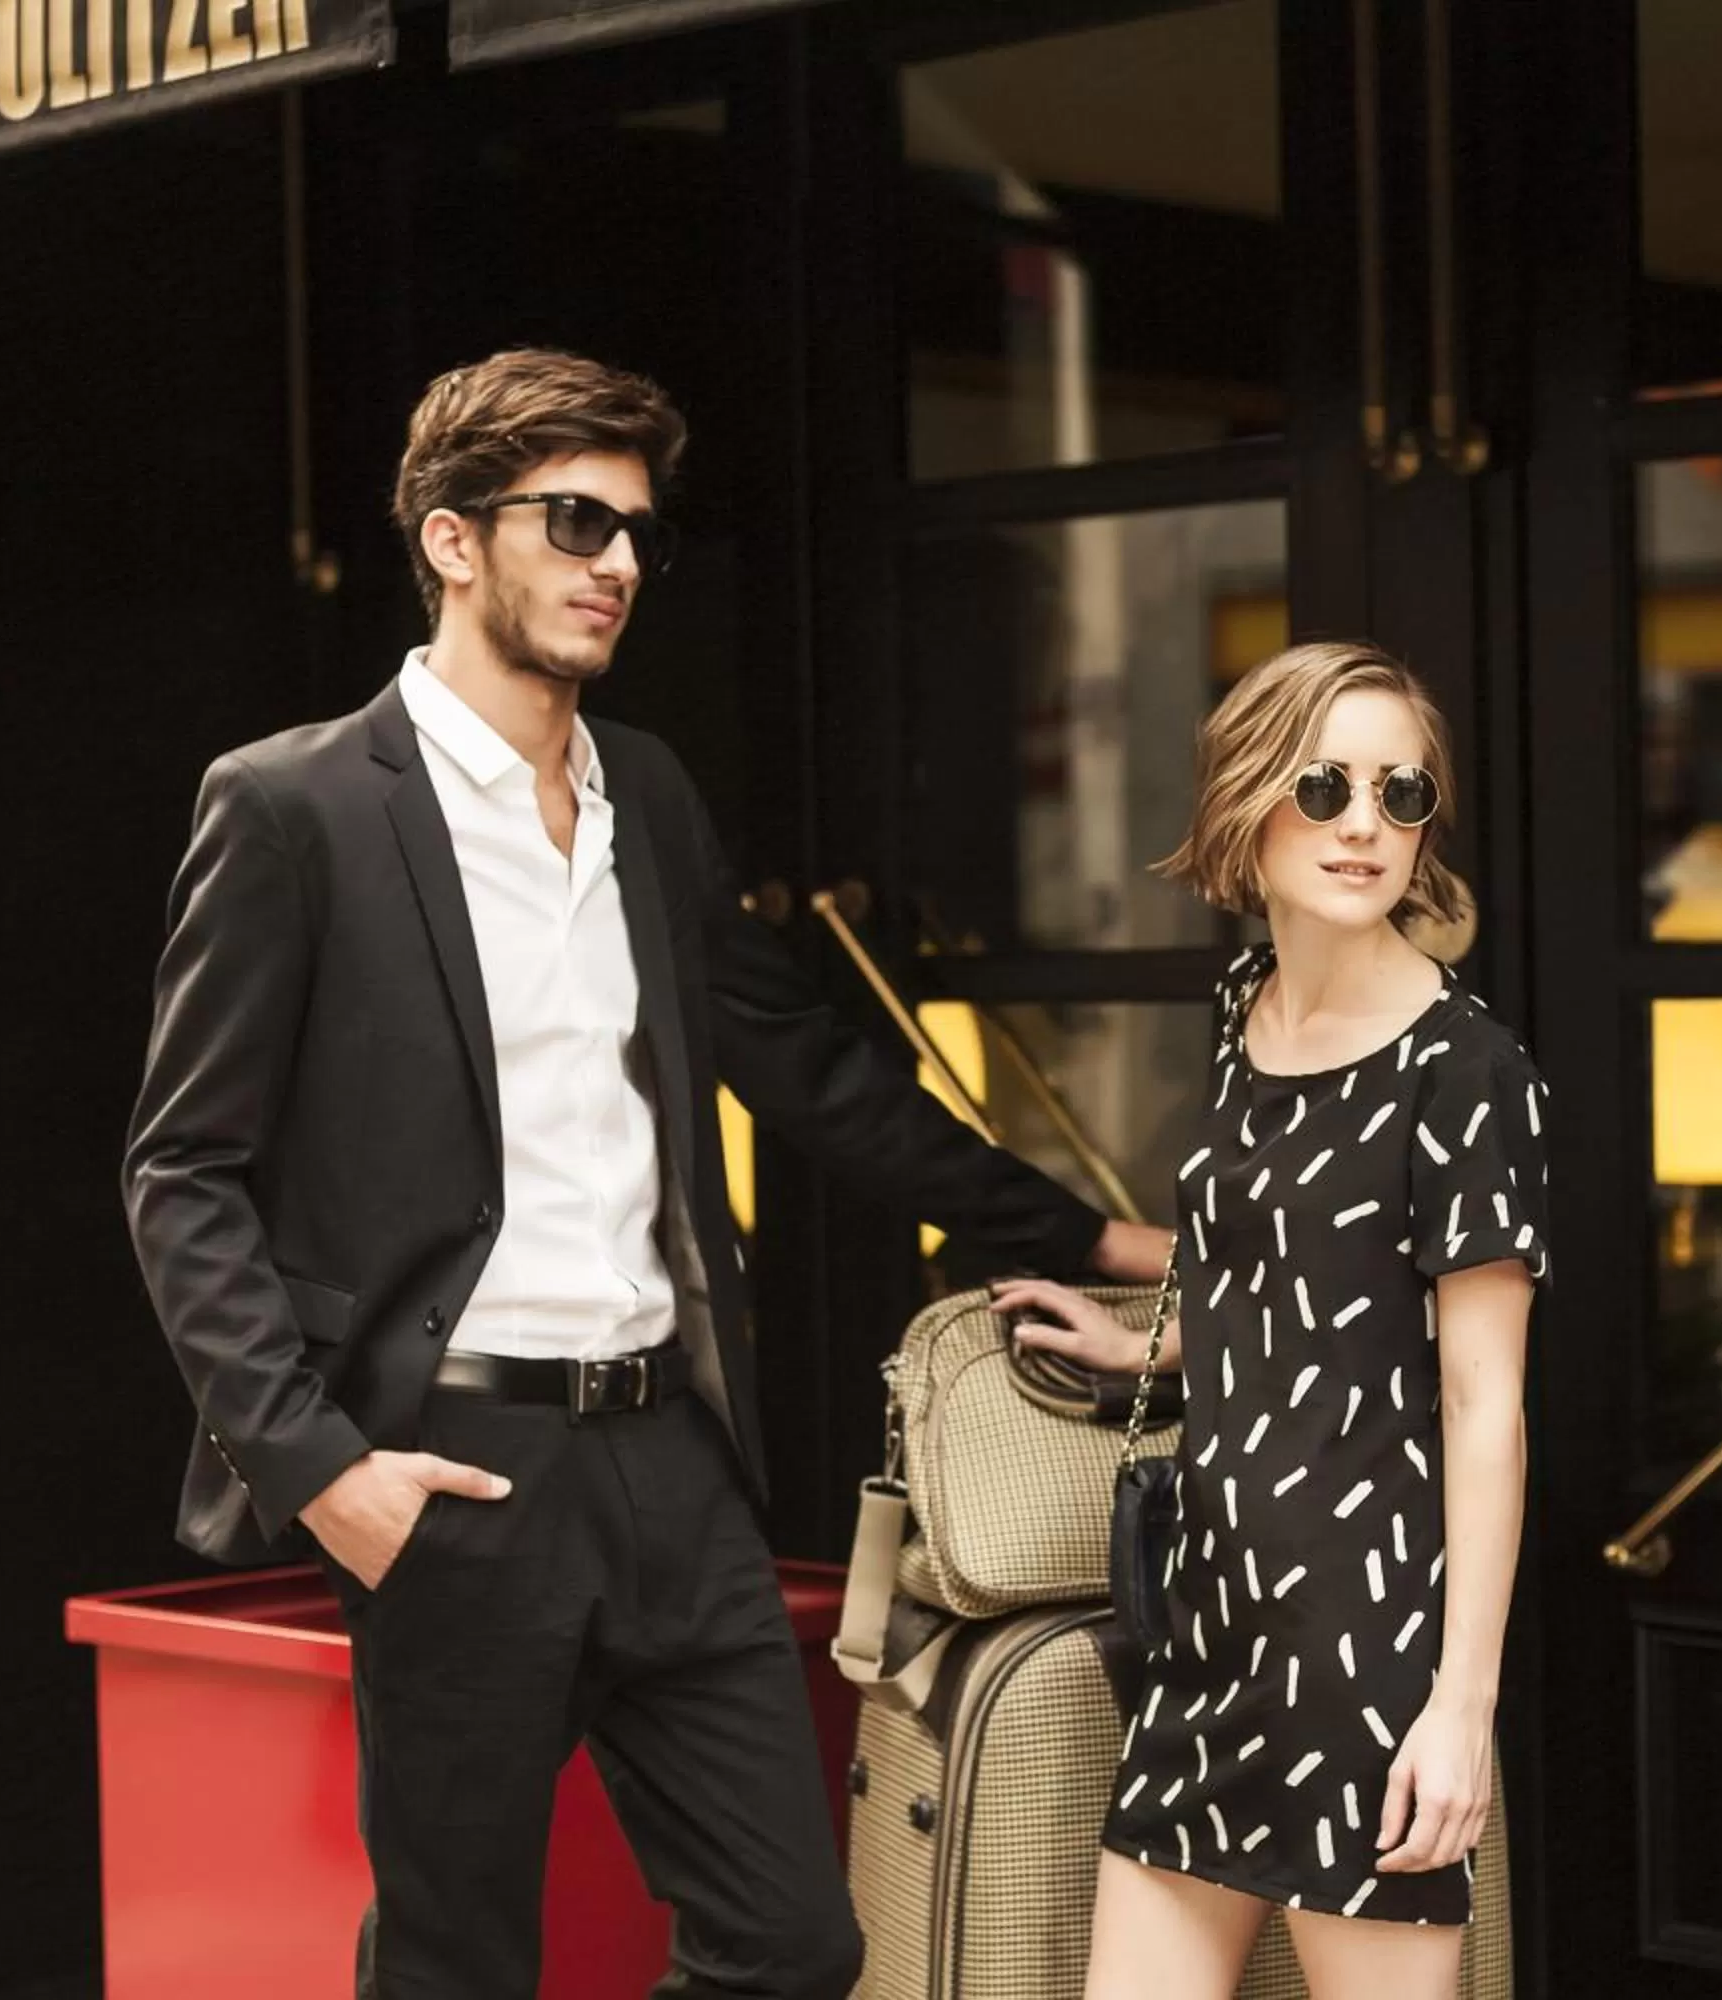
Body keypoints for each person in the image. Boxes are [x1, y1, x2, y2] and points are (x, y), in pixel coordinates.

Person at [119, 347, 1170, 2000]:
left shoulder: (649, 800)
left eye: (636, 533)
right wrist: (327, 1472)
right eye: (574, 521)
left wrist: (1098, 1234)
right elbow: (183, 1171)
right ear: (453, 542)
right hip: (452, 1469)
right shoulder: (298, 807)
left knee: (793, 1943)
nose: (617, 563)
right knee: (459, 1963)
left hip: (672, 1459)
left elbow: (811, 1076)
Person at [995, 641, 1547, 1999]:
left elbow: (1486, 1405)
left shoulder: (1468, 1074)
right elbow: (1295, 1274)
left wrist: (1459, 1709)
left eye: (1402, 794)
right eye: (1326, 784)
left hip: (1365, 1653)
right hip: (1212, 1623)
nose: (1366, 822)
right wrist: (1152, 1344)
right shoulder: (1244, 1010)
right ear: (1249, 800)